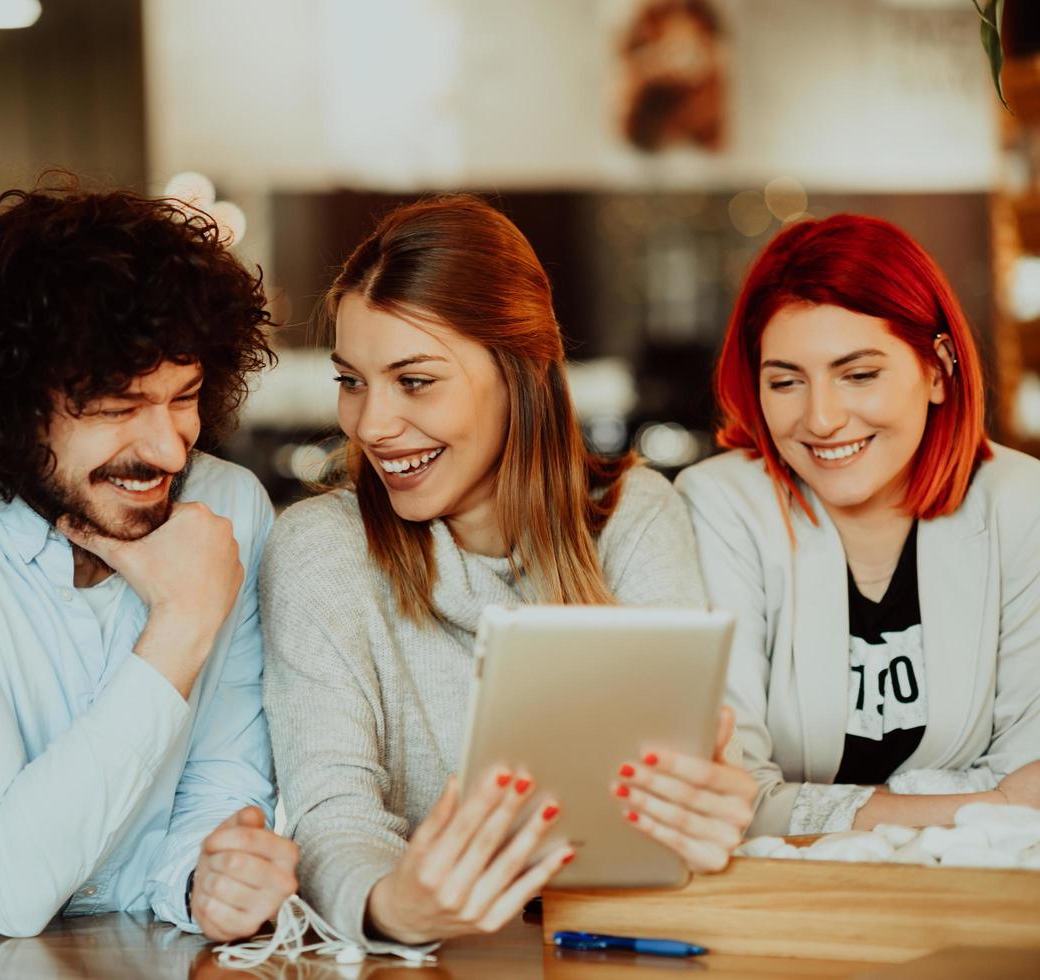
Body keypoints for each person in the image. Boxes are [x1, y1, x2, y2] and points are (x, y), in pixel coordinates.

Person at [259, 195, 757, 951]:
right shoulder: (321, 549)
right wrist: (395, 907)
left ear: (520, 369)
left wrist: (711, 807)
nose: (371, 424)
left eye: (415, 381)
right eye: (352, 380)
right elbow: (332, 815)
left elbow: (690, 792)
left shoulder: (632, 516)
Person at [0, 181, 297, 941]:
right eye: (116, 409)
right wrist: (181, 628)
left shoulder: (228, 506)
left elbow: (223, 765)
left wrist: (208, 872)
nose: (170, 447)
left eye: (185, 396)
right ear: (13, 402)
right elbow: (8, 884)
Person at [676, 214, 1040, 836]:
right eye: (786, 381)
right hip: (783, 908)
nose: (821, 419)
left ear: (937, 368)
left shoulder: (1021, 503)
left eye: (859, 374)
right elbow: (725, 798)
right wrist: (983, 803)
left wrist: (810, 808)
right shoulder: (720, 506)